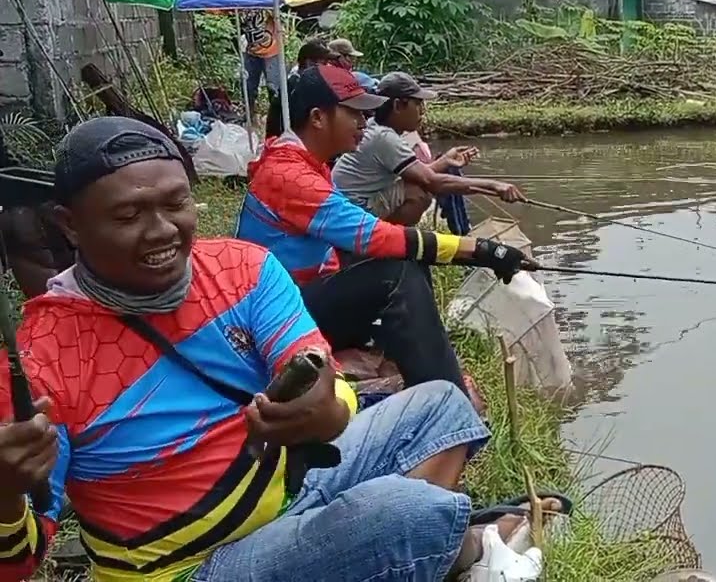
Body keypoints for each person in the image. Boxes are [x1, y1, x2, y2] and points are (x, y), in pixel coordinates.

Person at [0, 116, 550, 582]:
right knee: (409, 511)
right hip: (196, 567)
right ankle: (452, 545)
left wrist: (326, 406)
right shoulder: (39, 359)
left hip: (290, 485)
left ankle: (378, 545)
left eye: (176, 204)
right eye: (127, 216)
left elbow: (322, 380)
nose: (162, 231)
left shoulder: (244, 267)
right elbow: (20, 561)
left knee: (443, 404)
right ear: (70, 226)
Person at [235, 65, 524, 398]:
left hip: (302, 292)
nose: (364, 122)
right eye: (354, 113)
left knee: (405, 261)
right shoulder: (290, 176)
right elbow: (376, 236)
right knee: (397, 269)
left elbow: (370, 233)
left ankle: (413, 364)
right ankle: (448, 400)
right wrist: (481, 251)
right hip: (279, 315)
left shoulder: (304, 163)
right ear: (318, 117)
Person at [332, 72, 525, 226]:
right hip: (352, 212)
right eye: (418, 104)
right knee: (419, 194)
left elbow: (417, 174)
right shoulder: (384, 138)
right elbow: (431, 182)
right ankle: (382, 243)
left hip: (346, 207)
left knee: (415, 185)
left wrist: (445, 161)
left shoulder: (378, 128)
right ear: (398, 105)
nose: (423, 111)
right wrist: (494, 186)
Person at [267, 39, 340, 139]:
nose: (327, 66)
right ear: (309, 63)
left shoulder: (307, 82)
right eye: (324, 62)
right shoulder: (296, 85)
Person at [240, 9, 283, 109]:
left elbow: (278, 14)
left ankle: (277, 118)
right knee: (248, 87)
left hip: (272, 51)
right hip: (252, 51)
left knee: (274, 87)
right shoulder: (241, 3)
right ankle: (249, 117)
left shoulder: (263, 0)